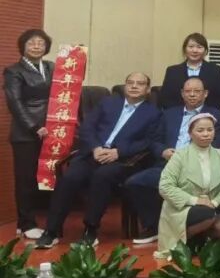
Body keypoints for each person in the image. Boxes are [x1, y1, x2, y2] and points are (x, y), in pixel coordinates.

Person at [36, 72, 161, 249]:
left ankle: (90, 229)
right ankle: (51, 231)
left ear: (147, 90)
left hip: (123, 161)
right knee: (70, 178)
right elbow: (87, 127)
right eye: (130, 82)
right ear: (124, 86)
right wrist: (95, 148)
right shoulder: (108, 103)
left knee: (102, 176)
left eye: (140, 83)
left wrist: (118, 152)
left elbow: (148, 141)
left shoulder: (153, 113)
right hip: (93, 154)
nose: (134, 86)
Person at [124, 77, 220, 245]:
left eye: (197, 91)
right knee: (135, 183)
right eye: (188, 91)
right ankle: (154, 227)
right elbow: (155, 140)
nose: (192, 94)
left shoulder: (215, 115)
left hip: (196, 168)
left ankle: (188, 228)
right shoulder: (169, 113)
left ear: (205, 94)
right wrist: (163, 151)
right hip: (167, 165)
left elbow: (217, 143)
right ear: (182, 94)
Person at [156, 113, 220, 259]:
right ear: (190, 133)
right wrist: (195, 200)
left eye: (210, 130)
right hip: (183, 208)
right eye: (200, 130)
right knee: (207, 214)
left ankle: (202, 246)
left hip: (212, 205)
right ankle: (179, 245)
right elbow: (165, 186)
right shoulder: (179, 156)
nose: (206, 134)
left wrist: (215, 202)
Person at [3, 29, 54, 240]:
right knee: (26, 180)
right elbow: (14, 102)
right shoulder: (13, 71)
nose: (36, 46)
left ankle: (34, 221)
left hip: (51, 130)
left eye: (41, 43)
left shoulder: (51, 67)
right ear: (23, 46)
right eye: (31, 43)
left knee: (48, 178)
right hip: (26, 133)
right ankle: (26, 224)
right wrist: (34, 127)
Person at [159, 32, 220, 110]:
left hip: (207, 115)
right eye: (191, 47)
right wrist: (181, 113)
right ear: (185, 49)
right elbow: (165, 98)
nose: (195, 50)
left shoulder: (215, 70)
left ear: (205, 50)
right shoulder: (172, 71)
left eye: (199, 47)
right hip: (179, 115)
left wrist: (207, 113)